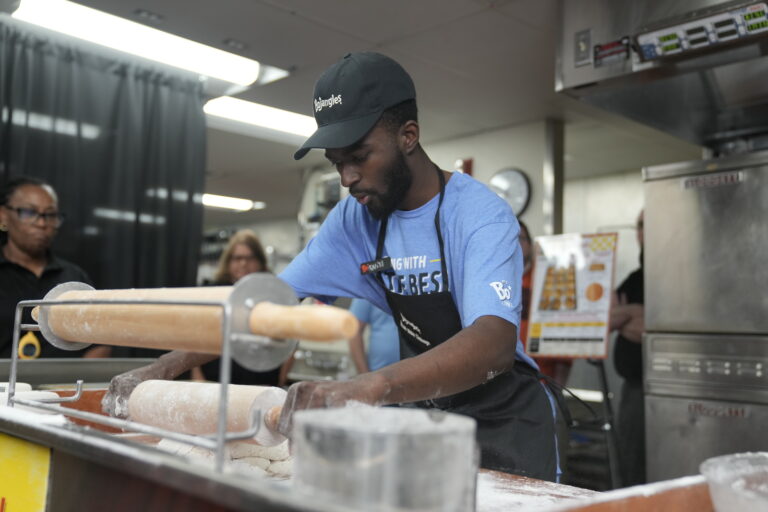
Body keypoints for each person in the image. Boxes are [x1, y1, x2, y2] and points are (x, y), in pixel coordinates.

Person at [102, 52, 561, 481]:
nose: (347, 178)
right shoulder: (353, 221)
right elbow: (258, 308)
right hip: (424, 413)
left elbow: (493, 342)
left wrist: (370, 386)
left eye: (359, 157)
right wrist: (162, 368)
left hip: (505, 417)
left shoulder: (478, 214)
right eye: (337, 163)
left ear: (408, 136)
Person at [0, 176, 99, 359]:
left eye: (50, 215)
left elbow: (100, 341)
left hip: (64, 386)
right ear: (3, 215)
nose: (42, 223)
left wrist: (75, 381)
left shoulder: (73, 278)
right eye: (29, 212)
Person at [194, 229, 291, 386]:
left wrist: (280, 380)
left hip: (261, 380)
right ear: (228, 261)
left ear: (260, 261)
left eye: (250, 258)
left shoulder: (272, 293)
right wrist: (197, 377)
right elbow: (196, 336)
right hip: (215, 379)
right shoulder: (214, 291)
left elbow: (290, 340)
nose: (243, 263)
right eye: (238, 258)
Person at [609, 210, 645, 486]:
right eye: (640, 225)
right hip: (632, 389)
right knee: (630, 466)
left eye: (649, 224)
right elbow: (606, 318)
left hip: (662, 388)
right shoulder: (635, 278)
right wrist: (635, 313)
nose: (643, 231)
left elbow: (654, 328)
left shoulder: (675, 274)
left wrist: (627, 314)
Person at [518, 220, 572, 387]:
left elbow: (565, 333)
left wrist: (559, 389)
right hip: (501, 380)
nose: (515, 245)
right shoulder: (487, 280)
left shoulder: (550, 278)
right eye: (509, 239)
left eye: (520, 238)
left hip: (543, 381)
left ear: (530, 244)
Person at [347, 298, 399, 374]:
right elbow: (354, 330)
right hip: (378, 373)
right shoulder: (369, 287)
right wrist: (364, 375)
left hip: (416, 375)